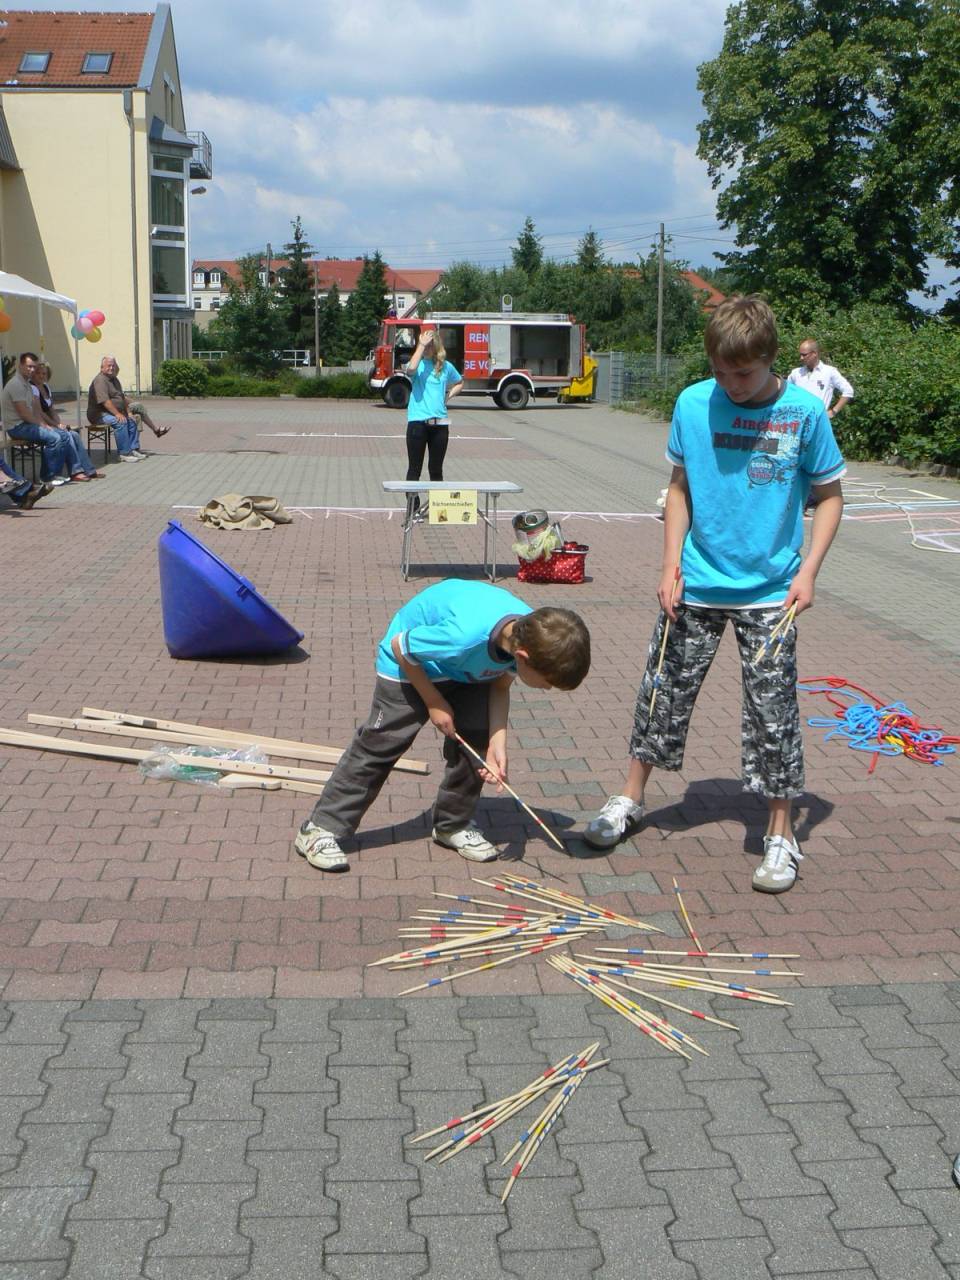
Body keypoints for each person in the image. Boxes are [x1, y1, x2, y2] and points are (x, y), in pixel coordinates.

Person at [584, 295, 846, 894]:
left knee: (773, 714)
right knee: (662, 693)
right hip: (696, 582)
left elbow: (830, 497)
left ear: (772, 359)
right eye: (721, 372)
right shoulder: (693, 403)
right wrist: (670, 563)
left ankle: (781, 833)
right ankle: (629, 799)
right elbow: (678, 488)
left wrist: (809, 572)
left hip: (771, 593)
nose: (731, 384)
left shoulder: (805, 413)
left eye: (744, 374)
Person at [294, 580, 591, 872]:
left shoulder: (527, 634)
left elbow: (499, 687)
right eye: (548, 684)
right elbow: (403, 647)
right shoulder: (465, 636)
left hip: (467, 669)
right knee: (380, 746)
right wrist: (434, 702)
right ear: (523, 657)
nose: (548, 689)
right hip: (410, 663)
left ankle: (453, 824)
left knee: (474, 740)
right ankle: (319, 830)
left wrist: (496, 743)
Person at [403, 328, 463, 523]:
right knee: (415, 468)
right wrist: (420, 345)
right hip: (418, 423)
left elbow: (459, 382)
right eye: (425, 345)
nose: (427, 348)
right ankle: (413, 509)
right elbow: (409, 370)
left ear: (436, 346)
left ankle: (440, 511)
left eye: (430, 345)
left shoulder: (445, 367)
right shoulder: (419, 364)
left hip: (440, 424)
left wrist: (448, 396)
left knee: (436, 468)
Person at [31, 361, 104, 482]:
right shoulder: (32, 388)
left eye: (44, 373)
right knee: (67, 436)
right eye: (38, 373)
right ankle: (75, 471)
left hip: (50, 422)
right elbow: (40, 413)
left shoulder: (45, 387)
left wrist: (59, 423)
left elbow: (51, 409)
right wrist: (56, 425)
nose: (41, 376)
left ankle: (89, 470)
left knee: (74, 434)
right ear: (33, 374)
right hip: (38, 423)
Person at [1, 352, 69, 482]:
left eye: (34, 367)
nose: (32, 370)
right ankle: (47, 477)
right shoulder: (16, 384)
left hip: (27, 424)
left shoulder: (26, 384)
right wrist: (42, 425)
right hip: (17, 427)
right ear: (20, 365)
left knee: (63, 435)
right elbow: (24, 413)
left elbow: (35, 410)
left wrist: (49, 424)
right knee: (54, 437)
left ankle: (55, 473)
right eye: (29, 366)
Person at [87, 355, 168, 460]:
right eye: (108, 366)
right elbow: (105, 402)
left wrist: (128, 413)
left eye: (113, 366)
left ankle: (133, 449)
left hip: (112, 412)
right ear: (102, 367)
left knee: (132, 420)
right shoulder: (100, 380)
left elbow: (121, 398)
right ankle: (124, 454)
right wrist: (118, 414)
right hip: (99, 415)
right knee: (120, 422)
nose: (111, 368)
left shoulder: (114, 379)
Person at [788, 339, 854, 421]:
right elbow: (786, 393)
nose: (801, 358)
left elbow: (848, 391)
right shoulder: (796, 373)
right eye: (800, 355)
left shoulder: (829, 372)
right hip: (797, 420)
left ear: (814, 353)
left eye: (804, 355)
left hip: (819, 421)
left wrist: (834, 411)